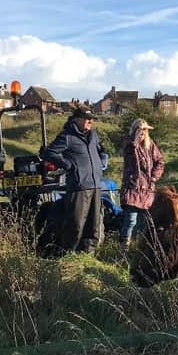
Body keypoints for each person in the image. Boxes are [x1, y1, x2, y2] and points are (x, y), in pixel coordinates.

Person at [43, 107, 107, 254]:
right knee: (76, 225)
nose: (90, 121)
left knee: (94, 227)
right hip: (79, 186)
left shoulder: (93, 135)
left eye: (92, 119)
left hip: (96, 185)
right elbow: (50, 152)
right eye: (86, 118)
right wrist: (69, 165)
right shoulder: (67, 136)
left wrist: (102, 161)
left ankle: (87, 257)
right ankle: (69, 255)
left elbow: (102, 150)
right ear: (76, 119)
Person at [119, 118, 164, 248]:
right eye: (140, 129)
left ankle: (140, 248)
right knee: (131, 221)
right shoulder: (129, 143)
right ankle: (124, 248)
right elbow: (129, 154)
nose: (143, 132)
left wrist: (154, 177)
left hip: (148, 190)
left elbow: (160, 161)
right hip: (132, 188)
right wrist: (136, 139)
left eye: (145, 129)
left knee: (145, 222)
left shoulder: (151, 145)